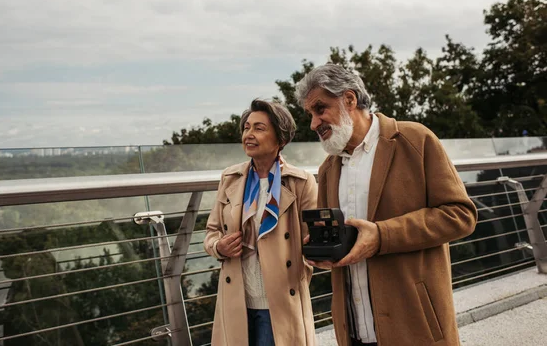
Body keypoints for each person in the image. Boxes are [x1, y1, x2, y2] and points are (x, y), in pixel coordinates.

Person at [295, 64, 477, 346]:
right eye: (310, 114)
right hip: (354, 331)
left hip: (416, 327)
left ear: (349, 99)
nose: (314, 123)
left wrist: (382, 236)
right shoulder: (329, 168)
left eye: (320, 109)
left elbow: (461, 215)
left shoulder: (415, 139)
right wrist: (327, 249)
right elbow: (344, 241)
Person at [204, 99, 318, 346]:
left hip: (280, 300)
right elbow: (211, 231)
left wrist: (304, 270)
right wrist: (218, 247)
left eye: (259, 128)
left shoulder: (301, 182)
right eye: (246, 127)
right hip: (237, 299)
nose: (249, 134)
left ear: (280, 139)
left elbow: (316, 241)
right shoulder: (230, 179)